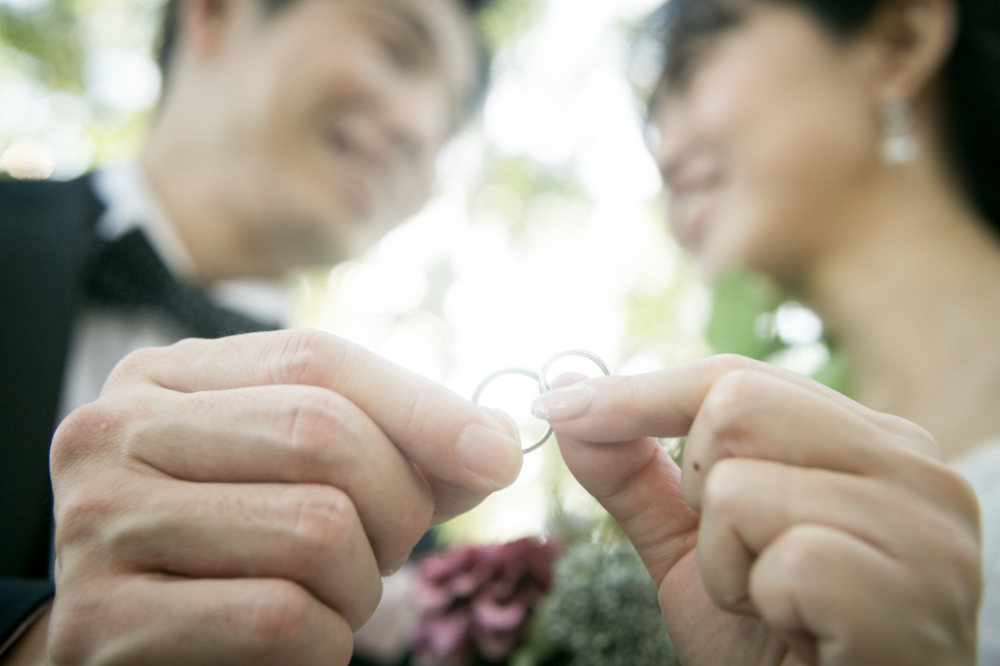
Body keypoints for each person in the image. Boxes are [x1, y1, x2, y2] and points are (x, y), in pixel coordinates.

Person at [0, 0, 521, 663]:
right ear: (215, 12)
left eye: (449, 122)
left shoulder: (391, 525)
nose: (422, 129)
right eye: (395, 49)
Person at [533, 0, 998, 663]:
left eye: (693, 63)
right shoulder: (736, 479)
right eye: (652, 123)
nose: (663, 154)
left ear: (899, 41)